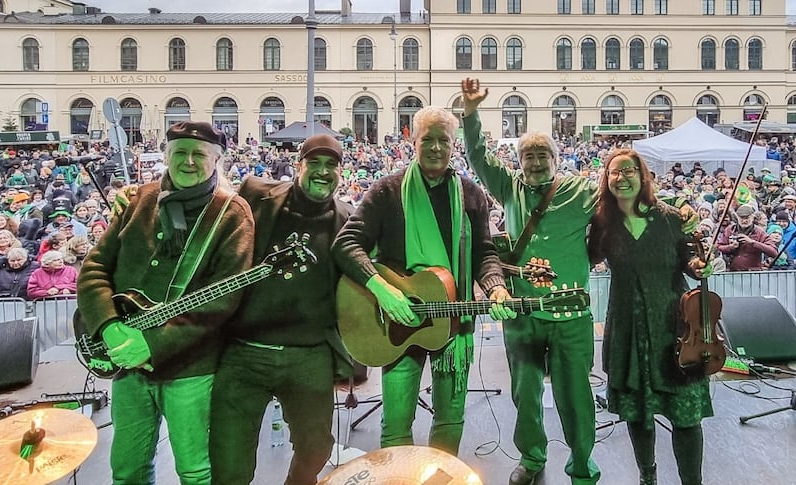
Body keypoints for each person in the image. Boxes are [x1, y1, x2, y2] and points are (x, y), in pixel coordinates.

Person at [76, 121, 255, 485]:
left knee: (195, 471)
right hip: (126, 362)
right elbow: (94, 268)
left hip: (191, 369)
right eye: (180, 153)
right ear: (166, 155)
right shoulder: (138, 201)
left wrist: (152, 345)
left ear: (217, 159)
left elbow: (223, 302)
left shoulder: (231, 214)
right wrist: (109, 328)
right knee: (127, 470)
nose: (188, 161)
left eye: (199, 154)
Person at [332, 106, 514, 455]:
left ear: (454, 144)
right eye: (426, 139)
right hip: (396, 323)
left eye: (442, 140)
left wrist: (496, 286)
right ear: (412, 142)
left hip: (453, 322)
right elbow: (346, 244)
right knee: (397, 424)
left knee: (449, 421)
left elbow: (484, 252)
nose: (434, 147)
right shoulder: (387, 191)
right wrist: (381, 289)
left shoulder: (471, 194)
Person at [461, 78, 600, 484]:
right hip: (522, 313)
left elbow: (625, 199)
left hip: (571, 316)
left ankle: (582, 464)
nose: (535, 162)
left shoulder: (581, 191)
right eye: (528, 156)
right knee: (525, 394)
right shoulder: (508, 187)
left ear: (556, 158)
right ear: (518, 161)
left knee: (576, 397)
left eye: (542, 155)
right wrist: (470, 112)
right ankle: (533, 457)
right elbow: (478, 155)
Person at [209, 134, 355, 485]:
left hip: (308, 355)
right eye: (314, 163)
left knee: (317, 448)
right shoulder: (256, 194)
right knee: (229, 463)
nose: (322, 171)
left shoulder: (348, 219)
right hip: (245, 351)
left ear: (340, 172)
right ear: (298, 165)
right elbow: (206, 210)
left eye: (331, 165)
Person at [588, 149, 714, 485]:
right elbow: (583, 258)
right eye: (615, 172)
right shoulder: (602, 224)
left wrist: (701, 266)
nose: (622, 177)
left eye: (629, 170)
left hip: (674, 331)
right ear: (607, 180)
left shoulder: (672, 218)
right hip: (628, 329)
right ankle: (648, 476)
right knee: (638, 414)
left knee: (686, 418)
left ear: (643, 176)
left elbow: (690, 259)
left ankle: (692, 481)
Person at [715, 204, 777, 271]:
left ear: (752, 217)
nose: (744, 221)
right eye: (741, 218)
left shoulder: (760, 233)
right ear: (737, 217)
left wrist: (753, 243)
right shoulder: (729, 230)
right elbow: (718, 247)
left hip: (753, 273)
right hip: (732, 272)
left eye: (747, 218)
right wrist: (730, 247)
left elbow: (773, 252)